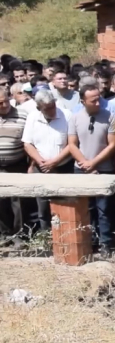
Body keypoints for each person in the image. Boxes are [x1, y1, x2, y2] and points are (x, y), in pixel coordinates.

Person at [67, 84, 115, 255]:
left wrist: (94, 163)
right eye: (93, 101)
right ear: (83, 101)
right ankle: (89, 241)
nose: (97, 103)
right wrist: (85, 163)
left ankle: (105, 242)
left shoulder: (110, 116)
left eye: (99, 99)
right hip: (81, 169)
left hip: (104, 169)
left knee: (104, 209)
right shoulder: (74, 118)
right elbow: (72, 145)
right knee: (86, 208)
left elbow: (112, 145)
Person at [22, 90, 73, 231]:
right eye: (47, 108)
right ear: (39, 108)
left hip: (63, 167)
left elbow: (72, 144)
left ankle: (65, 235)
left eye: (53, 106)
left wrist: (54, 162)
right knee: (43, 206)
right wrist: (40, 162)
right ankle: (46, 236)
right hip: (41, 168)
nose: (52, 110)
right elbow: (27, 143)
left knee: (64, 204)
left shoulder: (67, 115)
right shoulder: (32, 117)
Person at [0, 89, 28, 242]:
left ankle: (19, 235)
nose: (4, 105)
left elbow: (29, 141)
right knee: (1, 201)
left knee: (18, 202)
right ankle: (4, 234)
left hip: (17, 164)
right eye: (0, 103)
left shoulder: (23, 115)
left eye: (6, 101)